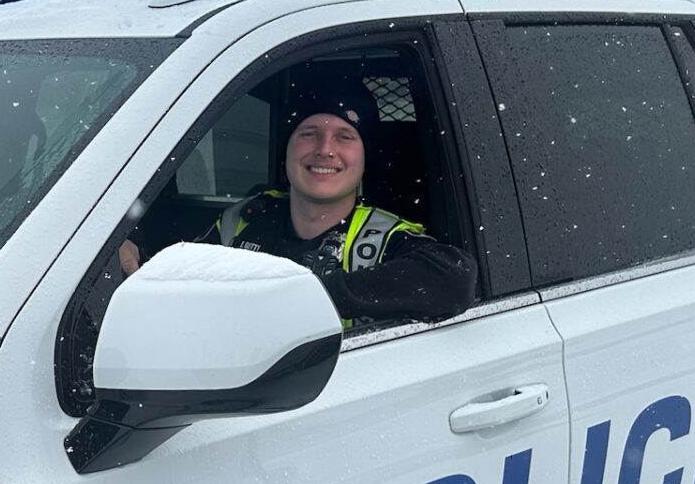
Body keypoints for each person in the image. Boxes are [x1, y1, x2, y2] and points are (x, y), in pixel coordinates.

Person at [119, 78, 477, 326]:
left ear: (365, 158)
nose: (325, 149)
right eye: (309, 133)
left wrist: (310, 295)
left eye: (345, 136)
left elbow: (455, 280)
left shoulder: (384, 239)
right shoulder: (244, 219)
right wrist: (137, 255)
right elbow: (183, 278)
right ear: (287, 149)